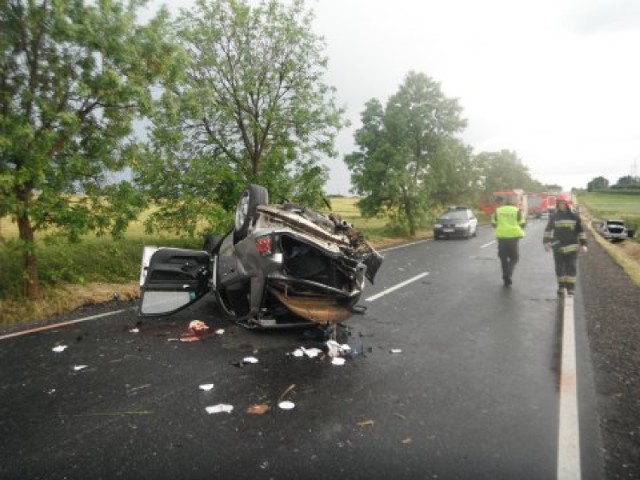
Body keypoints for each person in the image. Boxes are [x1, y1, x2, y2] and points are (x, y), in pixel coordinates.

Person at [543, 193, 588, 296]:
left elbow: (580, 231)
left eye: (563, 203)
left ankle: (571, 288)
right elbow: (548, 230)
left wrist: (584, 244)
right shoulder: (554, 216)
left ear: (567, 203)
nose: (561, 205)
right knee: (559, 268)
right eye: (559, 203)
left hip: (572, 246)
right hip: (557, 246)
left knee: (571, 267)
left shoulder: (574, 216)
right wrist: (546, 242)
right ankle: (561, 287)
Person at [491, 195, 526, 287]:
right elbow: (522, 223)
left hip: (502, 238)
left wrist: (501, 227)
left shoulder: (498, 210)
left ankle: (505, 278)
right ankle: (508, 274)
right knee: (514, 258)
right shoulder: (517, 210)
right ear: (513, 203)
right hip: (513, 238)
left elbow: (493, 223)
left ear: (505, 203)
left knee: (503, 258)